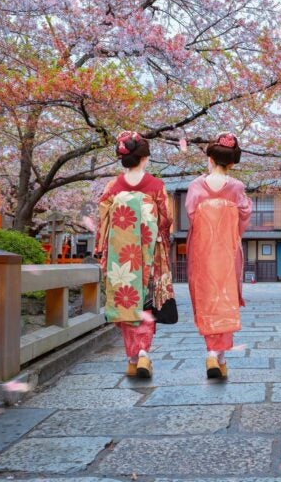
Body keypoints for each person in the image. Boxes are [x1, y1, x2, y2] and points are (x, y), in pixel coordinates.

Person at [95, 131, 172, 379]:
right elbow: (166, 220)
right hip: (148, 254)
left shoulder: (112, 188)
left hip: (121, 258)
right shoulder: (156, 186)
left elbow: (103, 222)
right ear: (145, 158)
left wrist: (102, 251)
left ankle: (132, 357)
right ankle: (143, 355)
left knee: (125, 304)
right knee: (146, 304)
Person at [185, 132, 252, 379]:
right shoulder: (236, 188)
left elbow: (192, 214)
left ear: (210, 158)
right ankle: (218, 356)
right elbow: (244, 215)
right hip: (226, 251)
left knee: (206, 297)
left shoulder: (195, 186)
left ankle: (212, 353)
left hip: (202, 252)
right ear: (232, 162)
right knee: (225, 297)